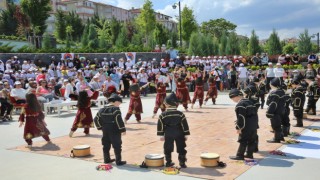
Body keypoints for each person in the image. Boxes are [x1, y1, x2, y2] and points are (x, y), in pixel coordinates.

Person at [157, 92, 190, 168]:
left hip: (168, 132)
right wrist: (186, 134)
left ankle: (168, 162)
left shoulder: (162, 114)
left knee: (168, 147)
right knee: (181, 146)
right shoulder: (180, 114)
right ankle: (182, 163)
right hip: (179, 132)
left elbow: (160, 125)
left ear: (167, 104)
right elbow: (185, 125)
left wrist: (161, 135)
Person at [93, 93, 126, 165]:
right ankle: (118, 161)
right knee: (117, 145)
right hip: (114, 130)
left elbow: (96, 119)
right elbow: (118, 120)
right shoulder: (116, 109)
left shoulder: (101, 109)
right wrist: (123, 129)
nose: (119, 105)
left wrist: (100, 127)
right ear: (116, 101)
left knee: (106, 145)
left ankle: (106, 159)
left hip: (105, 130)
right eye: (119, 103)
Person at [228, 88, 258, 160]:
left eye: (232, 98)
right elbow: (254, 114)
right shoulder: (250, 102)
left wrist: (239, 127)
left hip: (246, 126)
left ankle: (239, 155)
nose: (233, 100)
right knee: (252, 140)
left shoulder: (240, 104)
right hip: (253, 125)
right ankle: (249, 154)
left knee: (243, 140)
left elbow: (241, 117)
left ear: (237, 96)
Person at [266, 78, 286, 143]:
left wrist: (269, 112)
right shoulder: (281, 91)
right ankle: (281, 136)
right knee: (278, 124)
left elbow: (273, 104)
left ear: (272, 84)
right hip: (281, 110)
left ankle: (276, 139)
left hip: (275, 111)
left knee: (275, 125)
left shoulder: (275, 92)